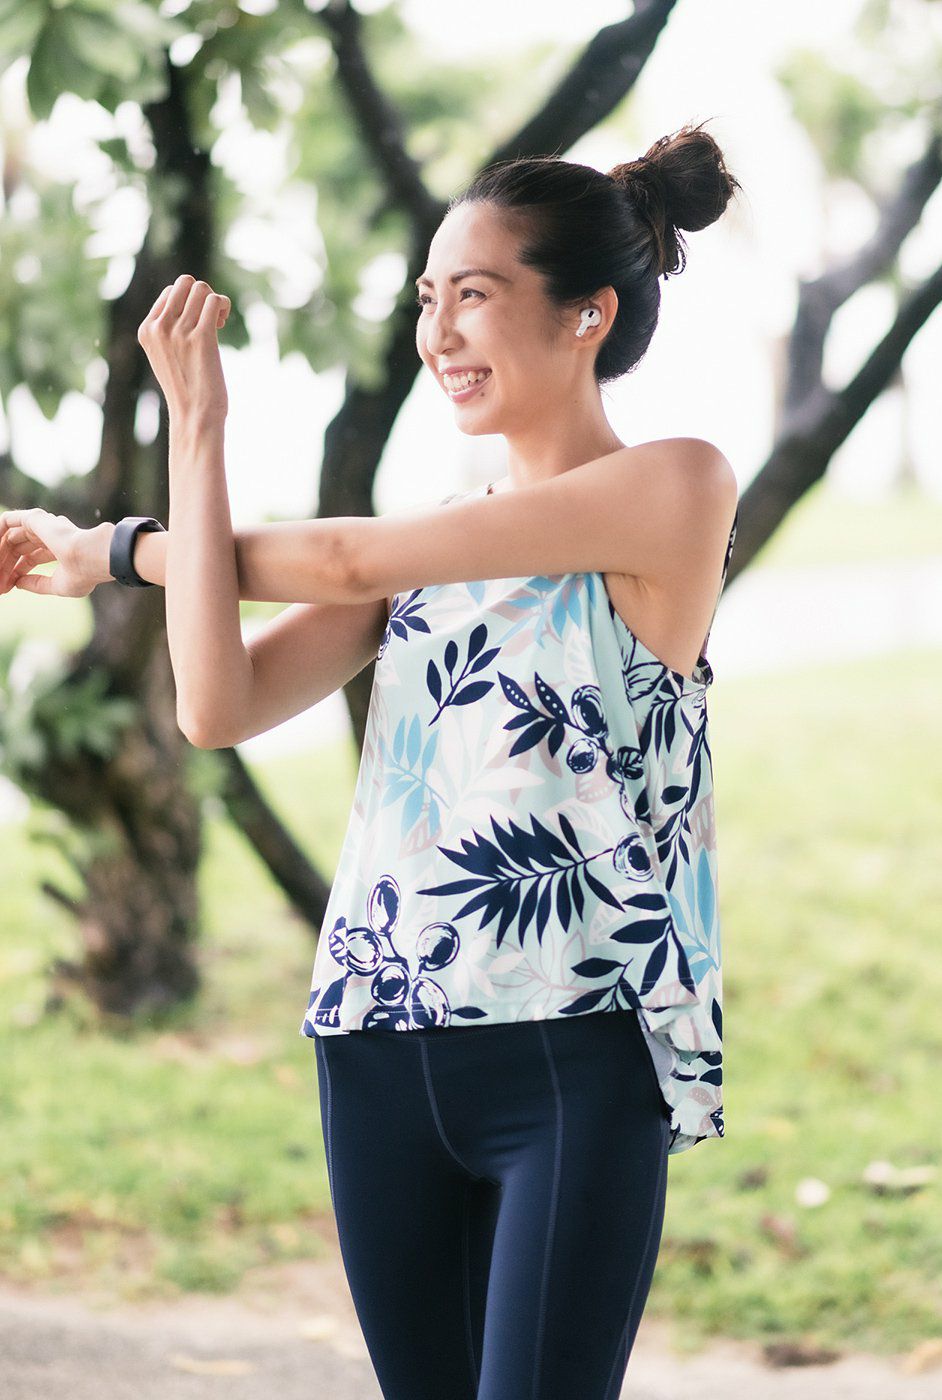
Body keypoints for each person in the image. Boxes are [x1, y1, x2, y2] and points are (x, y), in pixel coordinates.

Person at [0, 119, 742, 1400]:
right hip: (376, 1039)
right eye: (425, 299)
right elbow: (217, 705)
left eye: (474, 295)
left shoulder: (674, 487)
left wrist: (115, 548)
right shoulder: (434, 543)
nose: (437, 332)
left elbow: (344, 557)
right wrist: (198, 428)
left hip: (570, 1046)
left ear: (587, 315)